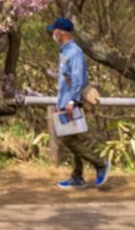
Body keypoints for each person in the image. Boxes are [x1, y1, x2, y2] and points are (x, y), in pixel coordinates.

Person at [47, 18, 109, 190]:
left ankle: (100, 164)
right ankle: (77, 176)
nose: (53, 34)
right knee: (73, 138)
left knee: (69, 141)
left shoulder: (74, 52)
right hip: (65, 102)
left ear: (60, 33)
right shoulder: (65, 51)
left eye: (54, 31)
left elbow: (78, 78)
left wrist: (72, 101)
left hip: (71, 103)